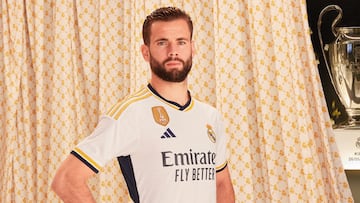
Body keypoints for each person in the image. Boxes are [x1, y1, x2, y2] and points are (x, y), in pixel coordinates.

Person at [51, 6, 235, 203]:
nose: (173, 51)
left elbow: (221, 183)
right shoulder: (130, 113)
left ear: (192, 48)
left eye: (181, 42)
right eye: (162, 42)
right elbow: (66, 179)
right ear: (145, 52)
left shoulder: (210, 116)